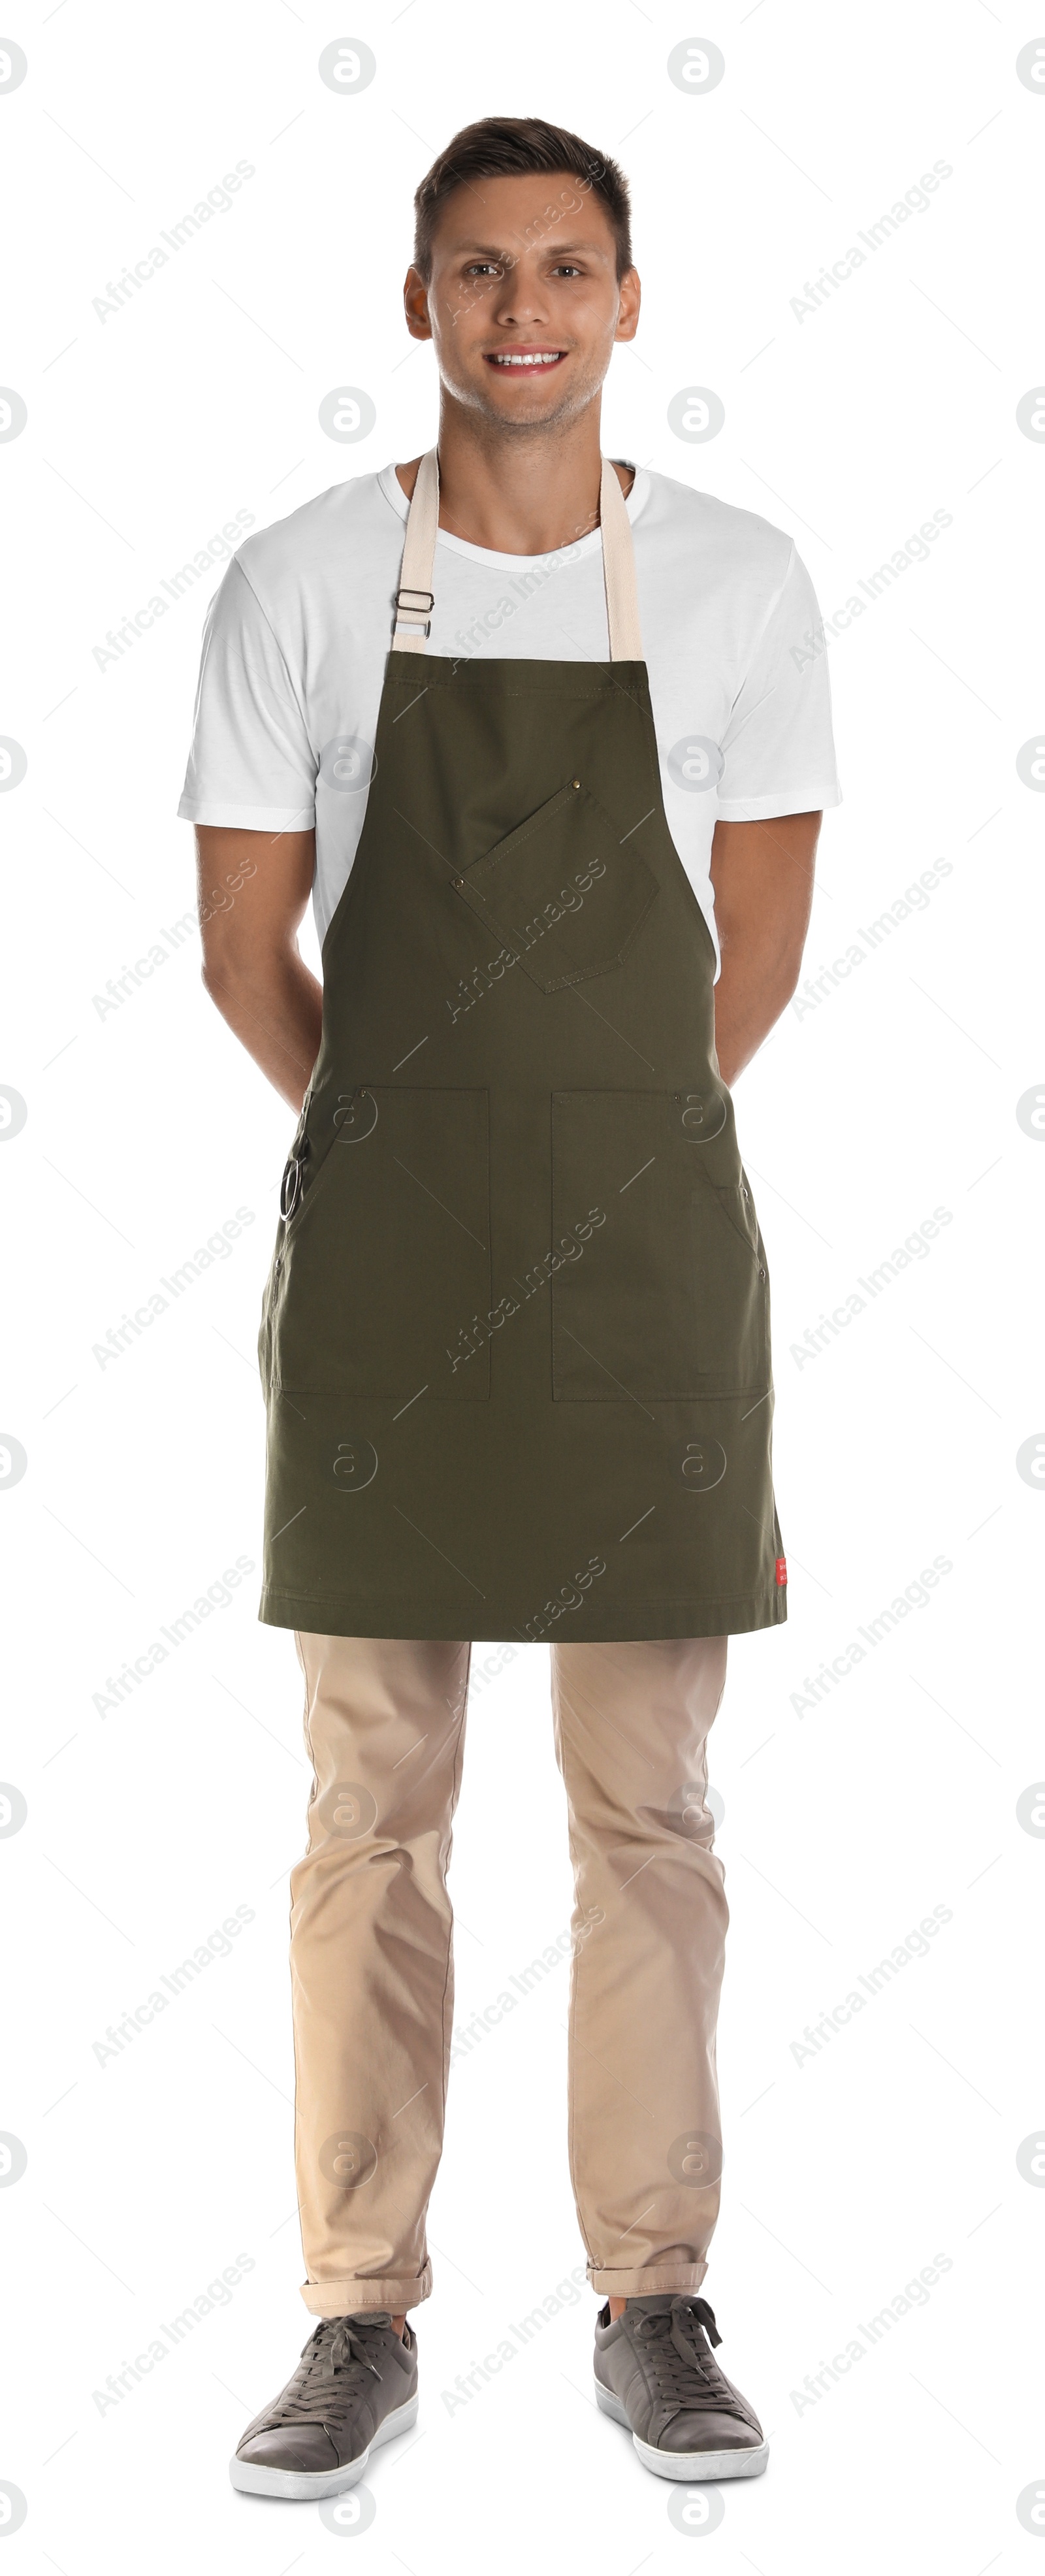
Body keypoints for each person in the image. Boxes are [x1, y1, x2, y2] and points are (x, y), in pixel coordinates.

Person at [180, 115, 839, 2500]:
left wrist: (597, 1162)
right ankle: (360, 2315)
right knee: (373, 1815)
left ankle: (652, 2298)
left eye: (568, 269)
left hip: (650, 1283)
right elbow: (256, 958)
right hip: (382, 1284)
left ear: (630, 302)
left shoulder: (744, 586)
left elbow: (747, 964)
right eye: (478, 272)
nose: (524, 311)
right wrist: (418, 1155)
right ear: (420, 307)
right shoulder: (299, 586)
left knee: (646, 1810)